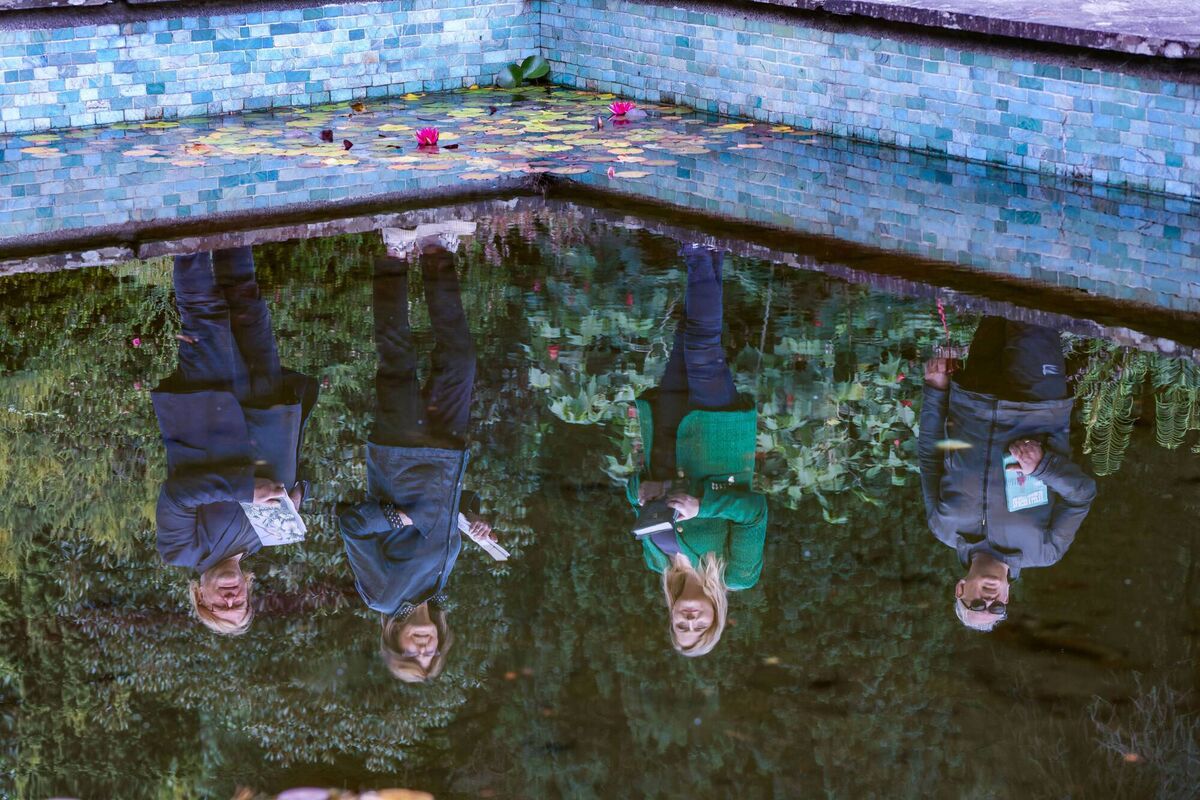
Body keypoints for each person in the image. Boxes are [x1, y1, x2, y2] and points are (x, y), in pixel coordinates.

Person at [338, 224, 495, 683]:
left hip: (399, 454)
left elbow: (350, 524)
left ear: (395, 641)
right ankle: (435, 250)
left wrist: (395, 519)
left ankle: (394, 251)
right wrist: (472, 519)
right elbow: (440, 516)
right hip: (447, 451)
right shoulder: (438, 586)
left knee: (397, 356)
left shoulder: (382, 596)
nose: (424, 650)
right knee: (460, 359)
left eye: (411, 655)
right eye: (431, 656)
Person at [152, 247, 318, 635]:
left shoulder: (181, 550)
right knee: (247, 301)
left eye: (220, 606)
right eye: (239, 603)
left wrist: (246, 490)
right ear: (247, 591)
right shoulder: (266, 539)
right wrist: (296, 498)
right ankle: (233, 220)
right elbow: (292, 472)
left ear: (200, 597)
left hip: (211, 410)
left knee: (203, 311)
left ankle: (188, 223)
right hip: (267, 403)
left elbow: (178, 494)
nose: (230, 598)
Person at [626, 244, 767, 657]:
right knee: (704, 352)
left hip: (668, 441)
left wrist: (641, 489)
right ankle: (699, 250)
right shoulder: (738, 575)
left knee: (686, 337)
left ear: (670, 615)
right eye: (699, 625)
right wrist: (702, 507)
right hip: (717, 441)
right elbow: (755, 511)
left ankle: (713, 252)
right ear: (715, 617)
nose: (690, 619)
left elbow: (636, 496)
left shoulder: (659, 563)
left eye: (681, 624)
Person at [919, 316, 1096, 632]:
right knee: (1033, 308)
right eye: (997, 607)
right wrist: (1044, 467)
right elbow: (1081, 495)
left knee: (997, 301)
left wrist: (935, 390)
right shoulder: (1044, 551)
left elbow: (931, 457)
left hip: (973, 397)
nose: (989, 599)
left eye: (976, 604)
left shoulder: (943, 527)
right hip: (1037, 402)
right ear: (1007, 595)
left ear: (960, 589)